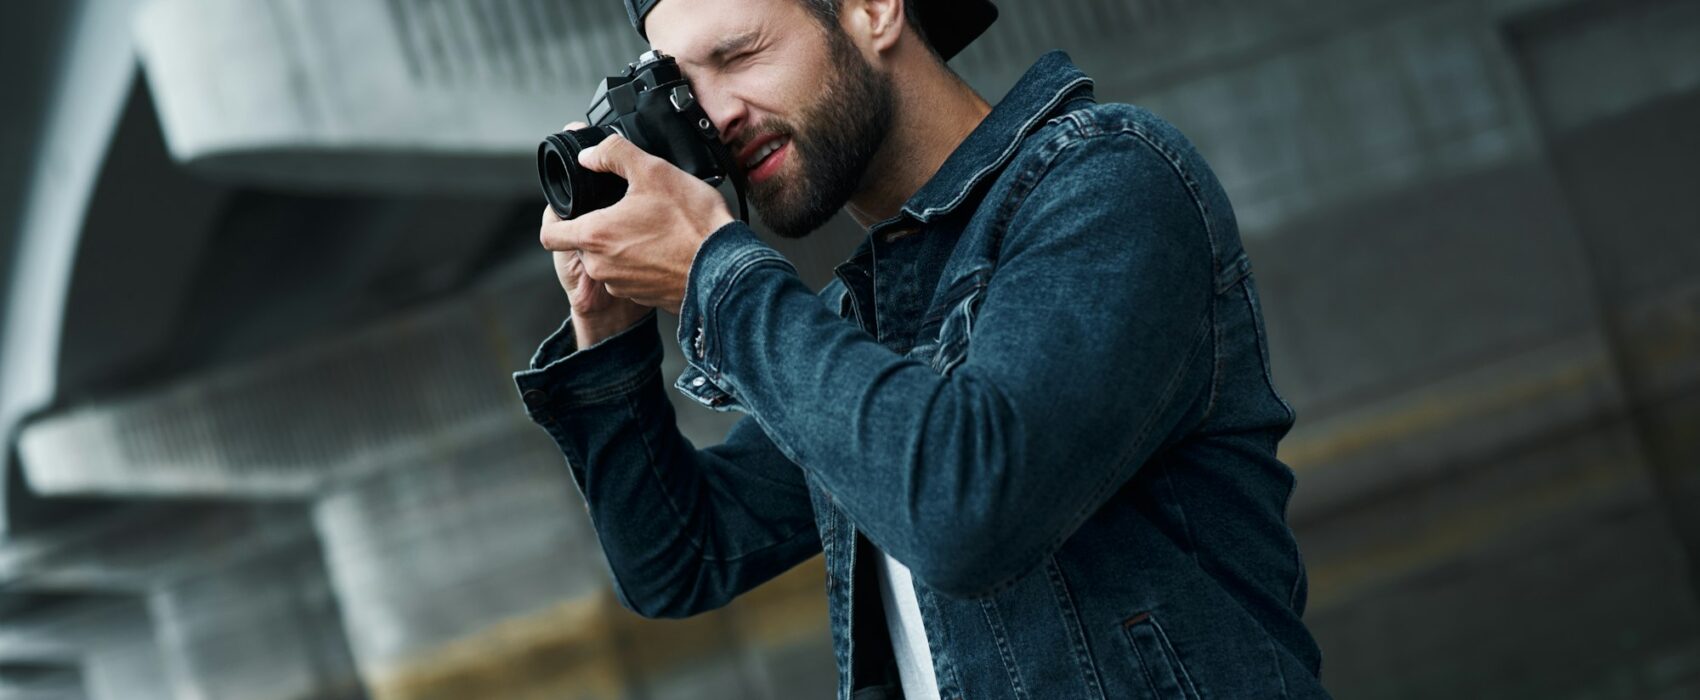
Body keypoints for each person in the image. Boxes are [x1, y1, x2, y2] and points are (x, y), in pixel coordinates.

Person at [514, 0, 1330, 697]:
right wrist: (610, 333)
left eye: (740, 54)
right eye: (691, 90)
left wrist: (713, 276)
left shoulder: (1111, 180)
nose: (719, 116)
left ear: (874, 9)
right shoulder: (868, 319)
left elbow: (968, 511)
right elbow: (682, 557)